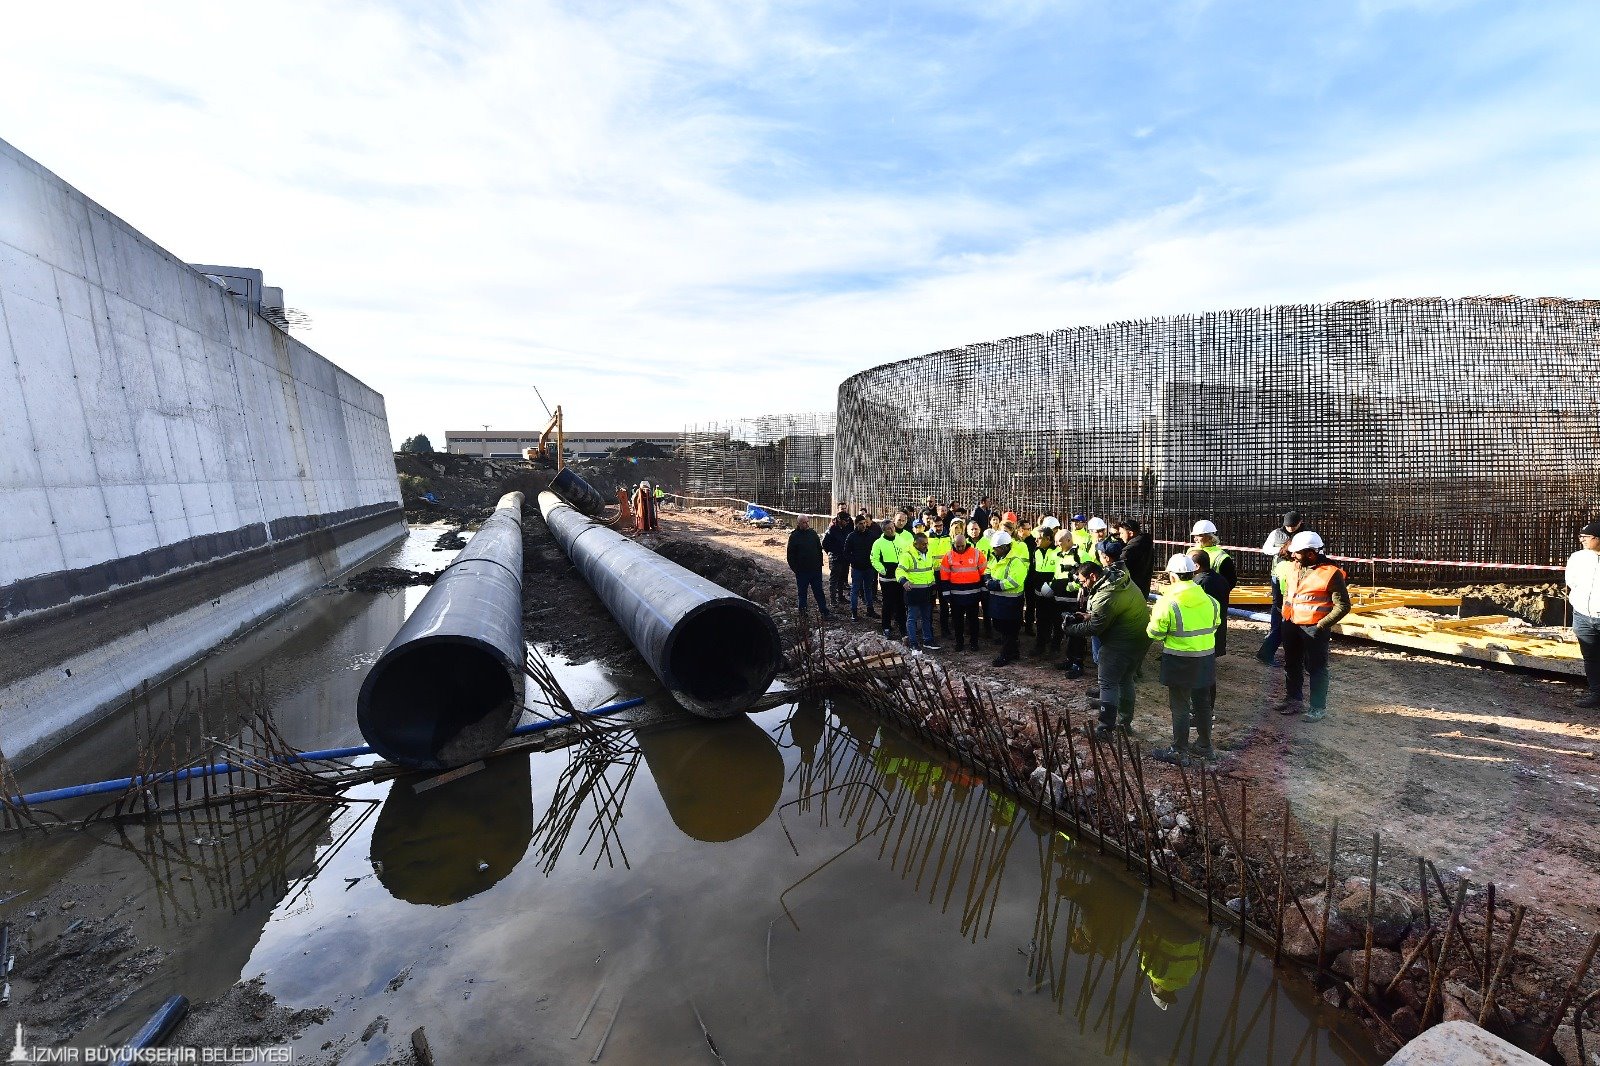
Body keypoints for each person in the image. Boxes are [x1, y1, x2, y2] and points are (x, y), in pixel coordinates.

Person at [1061, 559, 1151, 738]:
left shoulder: (1106, 595)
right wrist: (1090, 615)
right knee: (1126, 680)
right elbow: (1113, 612)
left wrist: (1069, 629)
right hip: (1139, 639)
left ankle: (1104, 729)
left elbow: (1095, 628)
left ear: (1093, 576)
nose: (1082, 585)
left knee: (1108, 683)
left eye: (1083, 581)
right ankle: (1125, 724)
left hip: (1121, 643)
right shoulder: (1119, 580)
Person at [1147, 554, 1220, 764]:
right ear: (1192, 573)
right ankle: (1205, 746)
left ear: (1172, 577)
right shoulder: (1210, 600)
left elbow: (1155, 633)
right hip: (1205, 657)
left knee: (1180, 706)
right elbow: (1214, 625)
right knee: (1203, 703)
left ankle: (1179, 750)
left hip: (1179, 659)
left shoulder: (1167, 602)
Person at [1276, 531, 1351, 722]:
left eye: (1298, 552)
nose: (1293, 555)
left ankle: (1317, 708)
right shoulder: (1294, 566)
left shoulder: (1331, 573)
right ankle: (1293, 700)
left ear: (1311, 553)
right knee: (1292, 664)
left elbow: (1343, 605)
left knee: (1316, 668)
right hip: (1291, 624)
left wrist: (1322, 624)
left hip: (1313, 628)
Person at [1256, 511, 1304, 664]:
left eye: (1293, 526)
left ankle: (1274, 641)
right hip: (1284, 578)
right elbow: (1266, 549)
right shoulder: (1276, 534)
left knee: (1284, 614)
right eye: (1287, 526)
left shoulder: (1306, 535)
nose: (1290, 528)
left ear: (1300, 523)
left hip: (1293, 577)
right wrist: (1282, 550)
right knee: (1282, 612)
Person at [982, 531, 1030, 666]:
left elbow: (1015, 581)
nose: (993, 550)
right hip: (998, 601)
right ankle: (1013, 651)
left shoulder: (1015, 561)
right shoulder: (995, 557)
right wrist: (987, 578)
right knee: (1001, 627)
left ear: (1003, 548)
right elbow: (988, 569)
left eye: (996, 548)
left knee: (1009, 630)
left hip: (1011, 602)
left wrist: (995, 585)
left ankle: (1006, 655)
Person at [1566, 520, 1600, 708]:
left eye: (1587, 537)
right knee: (1591, 657)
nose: (1582, 540)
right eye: (1581, 537)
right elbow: (1571, 581)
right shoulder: (1578, 558)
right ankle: (1596, 694)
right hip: (1583, 615)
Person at [940, 525, 986, 651]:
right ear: (954, 544)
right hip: (956, 597)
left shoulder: (977, 554)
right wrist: (946, 594)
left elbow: (984, 574)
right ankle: (959, 643)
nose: (960, 548)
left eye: (962, 545)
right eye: (957, 546)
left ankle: (974, 643)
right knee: (957, 622)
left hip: (973, 595)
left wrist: (983, 591)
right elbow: (944, 576)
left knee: (973, 621)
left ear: (966, 543)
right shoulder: (948, 556)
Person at [899, 530, 941, 653]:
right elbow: (900, 571)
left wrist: (933, 586)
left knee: (926, 617)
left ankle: (928, 640)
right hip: (913, 592)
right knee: (912, 618)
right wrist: (904, 581)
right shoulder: (907, 555)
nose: (926, 546)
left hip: (926, 592)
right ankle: (913, 643)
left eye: (926, 544)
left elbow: (930, 571)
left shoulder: (928, 554)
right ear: (915, 544)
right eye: (923, 544)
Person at [785, 515, 829, 620]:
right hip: (802, 571)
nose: (807, 524)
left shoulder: (813, 534)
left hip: (815, 570)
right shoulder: (794, 537)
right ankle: (803, 615)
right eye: (804, 522)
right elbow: (790, 555)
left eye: (807, 522)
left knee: (819, 592)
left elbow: (819, 549)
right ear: (799, 523)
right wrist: (796, 569)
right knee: (802, 594)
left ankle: (824, 612)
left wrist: (819, 564)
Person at [1030, 524, 1063, 657]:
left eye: (1039, 538)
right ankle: (1040, 645)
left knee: (1056, 620)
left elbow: (1059, 573)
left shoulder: (1057, 552)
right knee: (1041, 620)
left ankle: (1055, 647)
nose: (1036, 541)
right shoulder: (1036, 551)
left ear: (1048, 538)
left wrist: (1052, 587)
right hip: (1039, 593)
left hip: (1053, 593)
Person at [871, 517, 906, 637]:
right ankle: (886, 626)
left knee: (901, 603)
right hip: (887, 579)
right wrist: (884, 570)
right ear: (884, 531)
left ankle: (902, 626)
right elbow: (874, 559)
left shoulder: (901, 541)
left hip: (900, 578)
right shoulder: (878, 543)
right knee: (888, 603)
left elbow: (906, 555)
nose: (891, 530)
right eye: (888, 529)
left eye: (892, 527)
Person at [844, 515, 879, 621]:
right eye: (861, 523)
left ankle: (870, 610)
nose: (863, 525)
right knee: (855, 590)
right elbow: (846, 552)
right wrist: (854, 561)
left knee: (868, 589)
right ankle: (854, 612)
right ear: (856, 524)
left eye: (864, 523)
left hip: (869, 567)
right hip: (857, 568)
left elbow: (876, 550)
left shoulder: (872, 535)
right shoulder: (851, 536)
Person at [1116, 518, 1155, 598]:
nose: (1120, 536)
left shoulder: (1131, 549)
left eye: (1122, 533)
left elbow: (1119, 567)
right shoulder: (1146, 542)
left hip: (1131, 590)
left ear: (1130, 533)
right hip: (1143, 588)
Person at [927, 521, 953, 637]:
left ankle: (945, 629)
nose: (938, 528)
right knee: (929, 604)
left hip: (944, 574)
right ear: (931, 526)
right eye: (936, 526)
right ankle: (929, 629)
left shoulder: (948, 538)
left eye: (940, 525)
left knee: (944, 603)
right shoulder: (926, 537)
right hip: (930, 574)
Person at [822, 512, 852, 606]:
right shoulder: (832, 529)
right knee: (834, 579)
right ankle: (833, 599)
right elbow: (825, 544)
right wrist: (831, 553)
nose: (847, 522)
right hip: (835, 558)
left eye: (848, 520)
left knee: (842, 579)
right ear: (839, 520)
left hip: (844, 557)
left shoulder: (846, 528)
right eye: (845, 520)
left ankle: (840, 597)